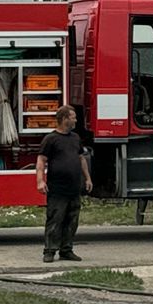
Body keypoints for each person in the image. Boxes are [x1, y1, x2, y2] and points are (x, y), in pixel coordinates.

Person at [35, 105, 93, 263]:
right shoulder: (51, 139)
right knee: (55, 219)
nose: (76, 120)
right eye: (73, 117)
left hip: (73, 187)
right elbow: (41, 160)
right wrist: (40, 180)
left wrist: (87, 178)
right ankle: (49, 251)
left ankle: (66, 250)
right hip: (57, 188)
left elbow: (81, 158)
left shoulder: (75, 138)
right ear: (64, 119)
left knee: (72, 220)